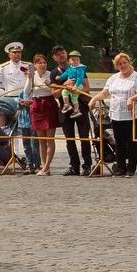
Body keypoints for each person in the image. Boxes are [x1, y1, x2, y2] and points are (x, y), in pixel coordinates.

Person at [92, 53, 137, 177]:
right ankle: (121, 167)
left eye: (124, 63)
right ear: (116, 66)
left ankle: (131, 167)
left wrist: (132, 99)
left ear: (129, 62)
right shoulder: (113, 78)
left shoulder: (136, 77)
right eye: (119, 64)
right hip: (116, 114)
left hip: (132, 115)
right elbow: (104, 93)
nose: (122, 65)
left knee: (131, 141)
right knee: (119, 141)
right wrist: (93, 99)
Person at [0, 41, 37, 172]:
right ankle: (13, 156)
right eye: (14, 53)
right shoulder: (3, 67)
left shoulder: (28, 66)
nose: (17, 54)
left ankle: (30, 159)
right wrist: (4, 93)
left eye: (19, 52)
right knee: (10, 130)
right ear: (9, 54)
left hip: (25, 100)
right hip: (10, 101)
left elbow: (34, 83)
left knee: (26, 130)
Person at [51, 48, 93, 176]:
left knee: (84, 136)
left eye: (63, 53)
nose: (61, 56)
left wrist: (77, 89)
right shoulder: (54, 73)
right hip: (65, 108)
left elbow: (87, 87)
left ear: (67, 55)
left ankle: (87, 165)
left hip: (80, 106)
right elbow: (54, 93)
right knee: (69, 139)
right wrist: (65, 85)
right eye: (58, 55)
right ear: (54, 58)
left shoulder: (78, 68)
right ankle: (74, 166)